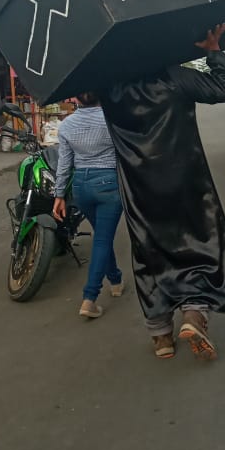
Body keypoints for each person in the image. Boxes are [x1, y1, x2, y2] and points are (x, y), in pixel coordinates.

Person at [100, 23, 225, 361]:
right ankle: (194, 314)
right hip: (187, 183)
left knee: (150, 254)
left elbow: (82, 95)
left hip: (139, 190)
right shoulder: (173, 77)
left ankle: (161, 336)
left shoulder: (109, 88)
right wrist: (213, 50)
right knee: (200, 246)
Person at [53, 92, 124, 319]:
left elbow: (64, 164)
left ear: (76, 98)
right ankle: (89, 298)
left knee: (103, 236)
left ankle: (115, 279)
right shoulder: (113, 119)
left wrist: (59, 194)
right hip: (108, 184)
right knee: (103, 239)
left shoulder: (67, 125)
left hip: (80, 187)